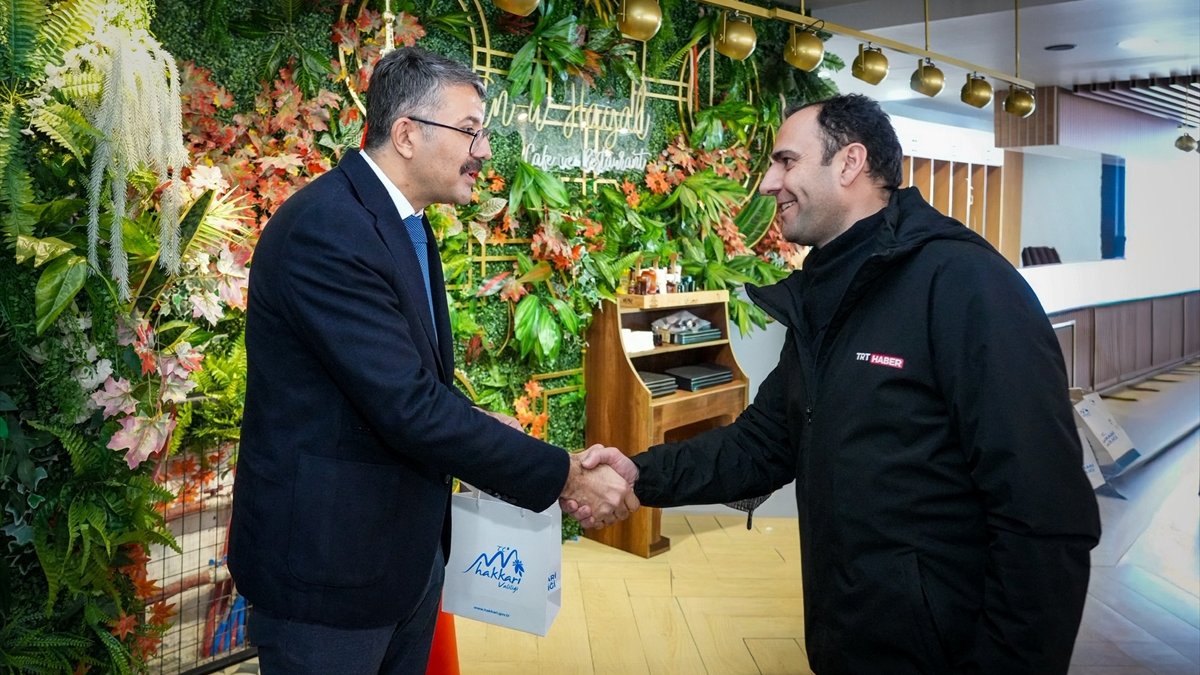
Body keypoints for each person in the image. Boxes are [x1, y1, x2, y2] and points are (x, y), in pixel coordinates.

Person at [574, 94, 1101, 673]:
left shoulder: (966, 285)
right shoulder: (829, 289)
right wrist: (638, 474)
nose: (769, 183)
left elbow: (1044, 514)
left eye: (785, 161)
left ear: (849, 163)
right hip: (849, 635)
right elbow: (765, 442)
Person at [228, 47, 636, 674]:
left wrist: (472, 420)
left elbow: (402, 380)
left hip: (402, 559)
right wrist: (566, 476)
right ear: (407, 134)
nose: (484, 149)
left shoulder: (403, 223)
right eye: (470, 130)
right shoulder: (328, 229)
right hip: (329, 570)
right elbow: (407, 406)